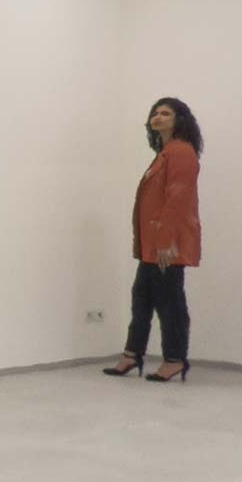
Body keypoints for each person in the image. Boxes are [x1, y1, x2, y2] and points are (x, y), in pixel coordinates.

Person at [104, 95, 203, 382]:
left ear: (179, 119)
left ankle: (174, 359)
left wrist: (165, 241)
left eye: (165, 113)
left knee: (170, 302)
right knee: (142, 299)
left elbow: (178, 197)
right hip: (153, 244)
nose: (158, 117)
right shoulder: (164, 152)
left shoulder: (181, 151)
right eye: (155, 113)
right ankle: (132, 355)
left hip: (166, 244)